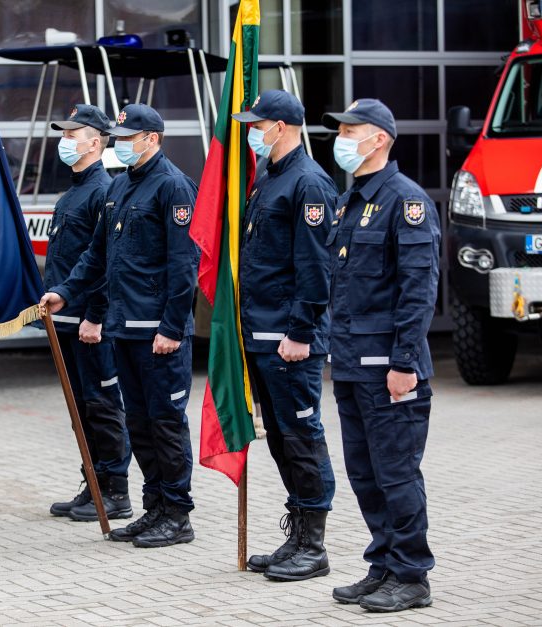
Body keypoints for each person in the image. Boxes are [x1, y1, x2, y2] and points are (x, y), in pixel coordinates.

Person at [40, 103, 200, 548]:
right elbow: (97, 257)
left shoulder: (173, 187)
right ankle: (154, 509)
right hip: (124, 327)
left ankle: (177, 513)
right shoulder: (122, 188)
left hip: (159, 333)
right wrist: (67, 292)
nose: (122, 145)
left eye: (130, 138)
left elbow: (184, 265)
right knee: (141, 424)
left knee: (166, 422)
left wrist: (172, 327)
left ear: (152, 139)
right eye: (120, 137)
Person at [321, 99, 440, 611]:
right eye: (340, 130)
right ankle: (383, 564)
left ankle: (412, 575)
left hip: (389, 369)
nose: (342, 138)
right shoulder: (352, 202)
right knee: (365, 474)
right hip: (350, 364)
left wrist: (403, 364)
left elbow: (419, 290)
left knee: (396, 474)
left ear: (380, 139)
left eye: (351, 130)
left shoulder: (405, 201)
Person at [231, 90, 338, 582]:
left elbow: (315, 270)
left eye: (258, 124)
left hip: (289, 339)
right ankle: (296, 533)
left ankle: (314, 545)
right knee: (279, 437)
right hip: (261, 333)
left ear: (282, 126)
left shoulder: (309, 183)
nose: (252, 131)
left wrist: (300, 331)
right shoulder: (270, 178)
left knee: (301, 436)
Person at [45, 104, 133, 522]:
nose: (65, 141)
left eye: (72, 133)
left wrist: (95, 315)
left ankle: (116, 489)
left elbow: (105, 263)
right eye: (62, 133)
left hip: (90, 323)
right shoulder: (73, 192)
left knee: (101, 405)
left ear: (95, 141)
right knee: (81, 407)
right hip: (66, 319)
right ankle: (93, 483)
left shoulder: (105, 190)